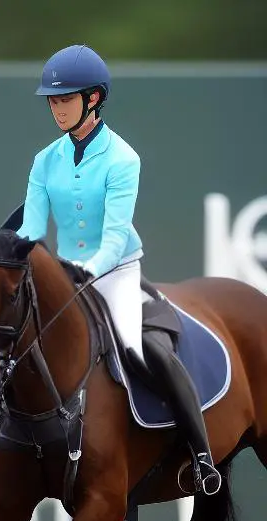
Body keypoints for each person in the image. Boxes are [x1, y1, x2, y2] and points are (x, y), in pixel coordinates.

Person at [17, 44, 221, 495]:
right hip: (65, 276)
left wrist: (84, 270)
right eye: (52, 100)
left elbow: (114, 236)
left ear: (93, 98)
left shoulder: (123, 159)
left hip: (114, 273)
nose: (56, 108)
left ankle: (202, 456)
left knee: (138, 348)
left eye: (64, 99)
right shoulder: (43, 160)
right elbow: (31, 229)